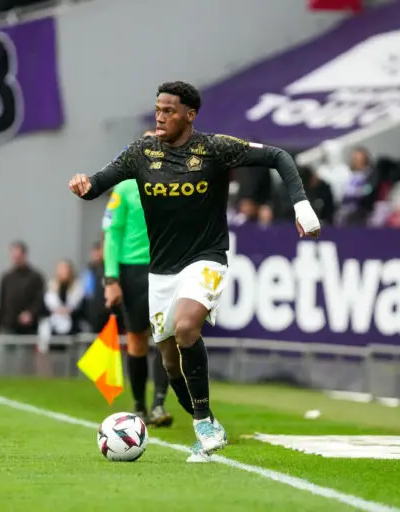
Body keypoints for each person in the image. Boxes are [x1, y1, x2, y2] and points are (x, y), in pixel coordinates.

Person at [68, 81, 319, 461]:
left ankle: (202, 424)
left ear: (190, 115)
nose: (160, 117)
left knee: (187, 328)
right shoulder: (141, 152)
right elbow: (96, 184)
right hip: (161, 270)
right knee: (170, 360)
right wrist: (83, 184)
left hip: (205, 257)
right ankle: (209, 421)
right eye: (158, 109)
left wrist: (301, 205)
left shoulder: (213, 148)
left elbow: (279, 156)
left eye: (169, 111)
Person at [102, 135, 172, 427]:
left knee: (166, 338)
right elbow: (112, 234)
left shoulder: (176, 184)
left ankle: (159, 404)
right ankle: (140, 405)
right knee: (137, 339)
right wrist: (111, 279)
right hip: (133, 271)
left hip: (167, 266)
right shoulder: (125, 188)